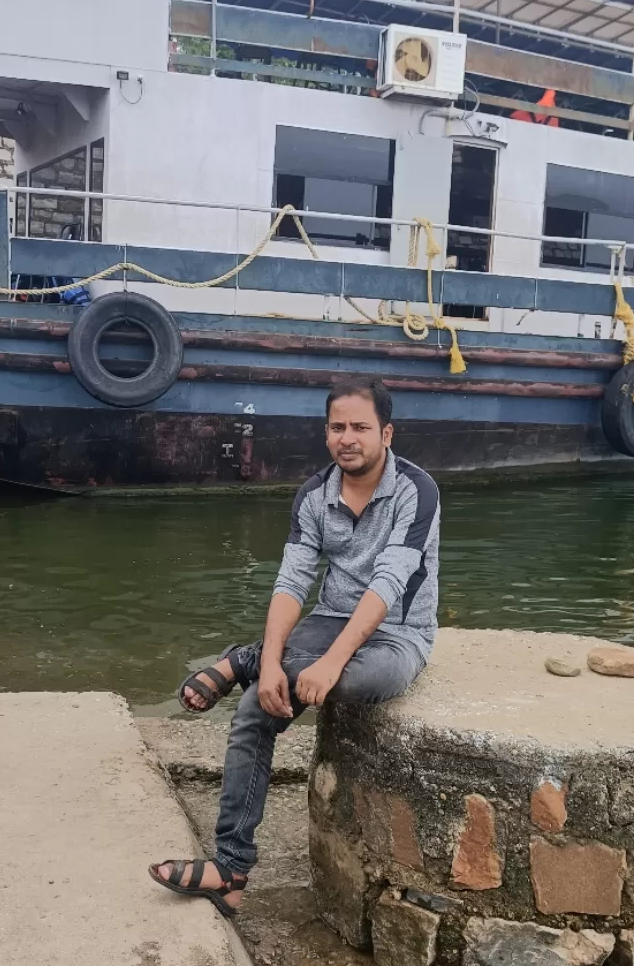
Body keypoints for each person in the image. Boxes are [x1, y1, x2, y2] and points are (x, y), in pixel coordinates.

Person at [149, 376, 440, 916]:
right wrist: (281, 663)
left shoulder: (416, 491)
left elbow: (389, 583)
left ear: (387, 433)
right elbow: (291, 583)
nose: (346, 438)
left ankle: (244, 657)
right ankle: (230, 869)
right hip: (328, 619)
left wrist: (326, 665)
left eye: (360, 427)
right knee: (255, 704)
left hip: (398, 631)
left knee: (364, 681)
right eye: (337, 427)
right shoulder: (314, 494)